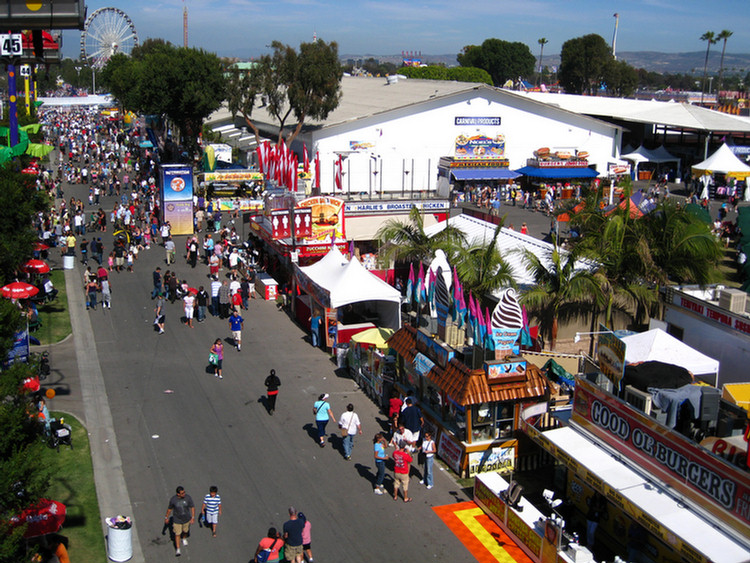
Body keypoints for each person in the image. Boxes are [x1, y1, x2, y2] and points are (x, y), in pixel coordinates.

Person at [165, 486, 195, 556]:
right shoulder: (173, 500)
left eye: (184, 492)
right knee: (177, 534)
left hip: (186, 519)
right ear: (178, 494)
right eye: (182, 493)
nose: (184, 494)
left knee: (185, 531)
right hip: (177, 520)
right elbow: (169, 509)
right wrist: (166, 517)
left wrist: (193, 517)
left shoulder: (188, 498)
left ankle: (184, 538)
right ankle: (178, 549)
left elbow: (192, 507)